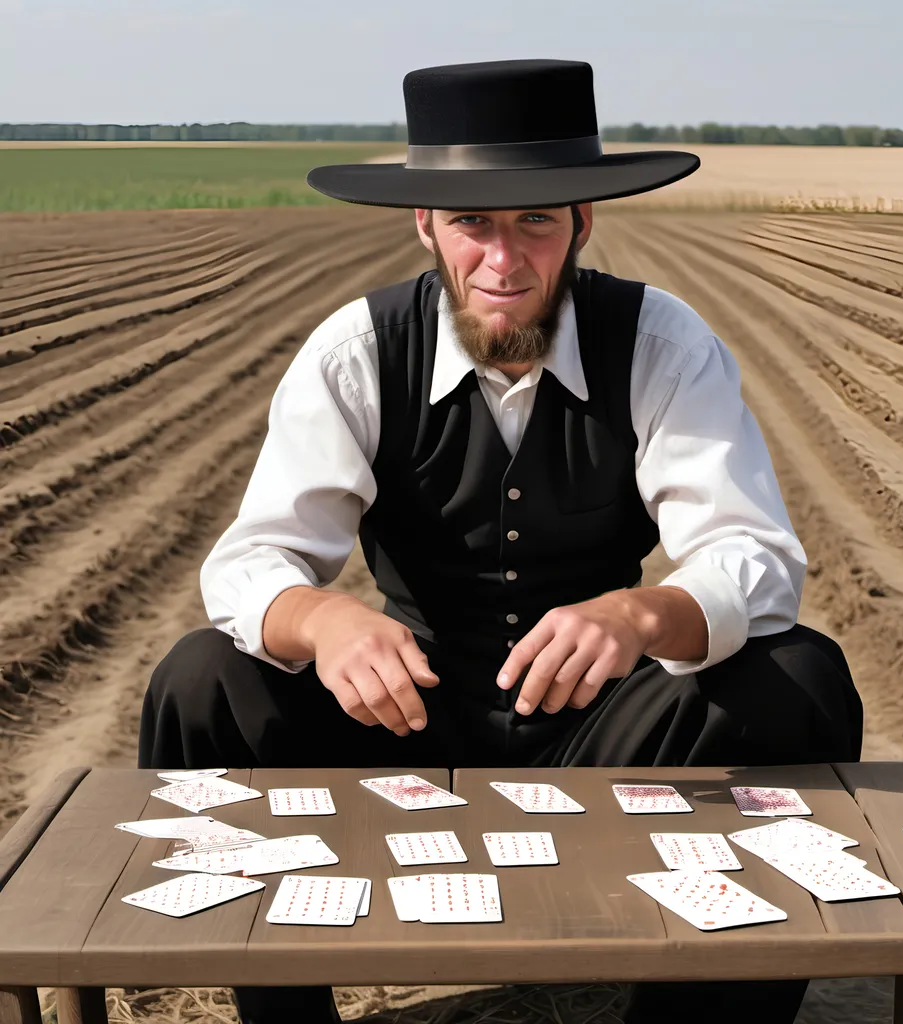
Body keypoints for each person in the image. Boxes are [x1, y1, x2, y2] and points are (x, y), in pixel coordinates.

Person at [138, 58, 862, 1024]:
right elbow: (250, 562)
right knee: (201, 679)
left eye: (536, 222)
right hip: (402, 725)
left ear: (583, 224)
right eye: (474, 223)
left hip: (601, 731)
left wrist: (644, 611)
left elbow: (754, 556)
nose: (504, 261)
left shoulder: (659, 343)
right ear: (426, 225)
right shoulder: (357, 350)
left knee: (800, 679)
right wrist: (322, 621)